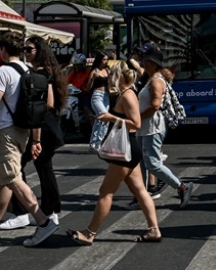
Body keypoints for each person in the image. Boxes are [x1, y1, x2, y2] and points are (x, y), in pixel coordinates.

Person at [0, 31, 60, 247]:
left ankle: (43, 222)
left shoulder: (4, 71)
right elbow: (39, 109)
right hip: (24, 131)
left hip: (7, 131)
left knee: (13, 178)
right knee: (6, 179)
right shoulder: (29, 70)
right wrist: (36, 140)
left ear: (3, 50)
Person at [68, 60, 161, 244]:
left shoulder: (127, 96)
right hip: (129, 148)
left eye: (111, 75)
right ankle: (154, 230)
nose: (109, 79)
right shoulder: (124, 94)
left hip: (125, 148)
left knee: (106, 192)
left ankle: (89, 233)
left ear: (119, 76)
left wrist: (111, 117)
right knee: (140, 191)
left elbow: (136, 124)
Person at [1, 36, 66, 230]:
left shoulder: (42, 73)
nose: (25, 52)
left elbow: (48, 103)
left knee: (17, 168)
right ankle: (48, 210)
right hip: (46, 126)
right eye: (24, 49)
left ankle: (26, 212)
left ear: (40, 51)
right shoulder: (46, 71)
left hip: (42, 127)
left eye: (29, 49)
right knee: (40, 168)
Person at [136, 50, 193, 207]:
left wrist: (138, 116)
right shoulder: (151, 79)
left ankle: (182, 186)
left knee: (153, 163)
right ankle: (143, 195)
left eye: (147, 60)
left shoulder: (156, 81)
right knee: (142, 162)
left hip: (152, 126)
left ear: (154, 63)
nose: (144, 62)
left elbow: (155, 105)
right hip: (146, 127)